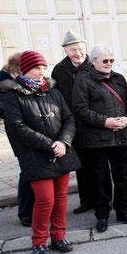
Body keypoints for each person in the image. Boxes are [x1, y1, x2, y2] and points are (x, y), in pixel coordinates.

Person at [3, 51, 81, 254]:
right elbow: (17, 127)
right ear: (25, 69)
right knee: (45, 200)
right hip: (35, 155)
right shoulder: (13, 96)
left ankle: (58, 237)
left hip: (61, 151)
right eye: (37, 68)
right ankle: (38, 242)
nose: (42, 72)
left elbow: (68, 119)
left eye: (44, 68)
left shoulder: (53, 92)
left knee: (61, 198)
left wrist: (63, 141)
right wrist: (50, 145)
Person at [72, 44, 127, 232]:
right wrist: (105, 122)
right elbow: (80, 109)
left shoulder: (118, 78)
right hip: (96, 139)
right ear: (93, 61)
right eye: (105, 61)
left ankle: (123, 210)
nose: (109, 64)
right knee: (100, 179)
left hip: (120, 136)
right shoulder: (83, 81)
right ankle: (102, 215)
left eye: (111, 61)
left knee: (123, 176)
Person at [0, 53, 36, 227]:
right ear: (19, 70)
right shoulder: (2, 85)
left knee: (34, 171)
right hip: (20, 135)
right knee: (27, 172)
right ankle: (25, 213)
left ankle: (34, 210)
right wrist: (20, 113)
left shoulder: (17, 81)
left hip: (31, 132)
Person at [51, 30, 93, 214]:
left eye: (80, 49)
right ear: (66, 51)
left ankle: (103, 200)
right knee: (80, 166)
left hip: (93, 123)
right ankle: (86, 201)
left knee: (98, 165)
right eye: (72, 49)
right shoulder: (59, 70)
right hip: (72, 125)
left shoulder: (94, 66)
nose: (78, 53)